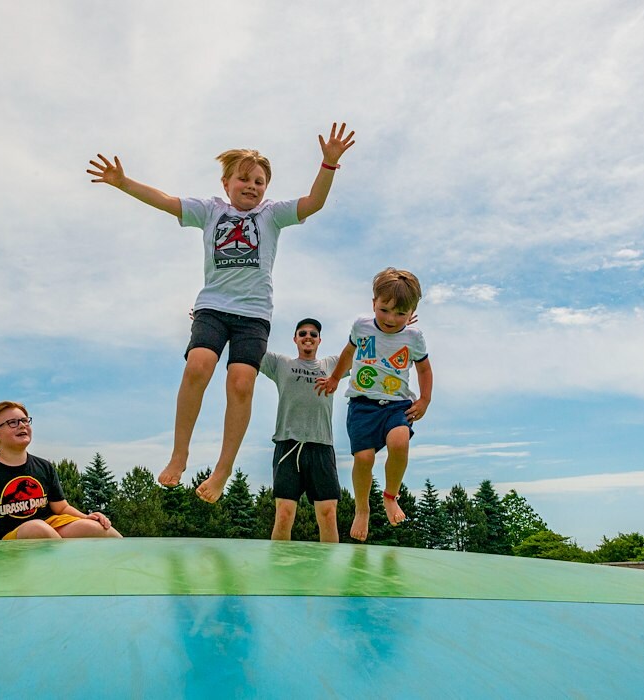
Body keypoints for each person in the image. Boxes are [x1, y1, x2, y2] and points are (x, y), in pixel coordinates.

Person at [88, 123, 355, 503]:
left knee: (241, 382)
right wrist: (123, 182)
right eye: (243, 179)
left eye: (259, 181)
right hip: (213, 306)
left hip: (254, 314)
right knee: (198, 366)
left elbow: (314, 202)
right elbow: (165, 201)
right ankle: (179, 453)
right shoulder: (210, 210)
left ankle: (223, 469)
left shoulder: (272, 215)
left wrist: (328, 165)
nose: (252, 186)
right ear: (226, 182)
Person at [316, 268, 433, 542]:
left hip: (396, 405)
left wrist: (424, 399)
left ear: (412, 312)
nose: (391, 319)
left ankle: (390, 495)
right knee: (364, 459)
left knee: (400, 442)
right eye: (384, 310)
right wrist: (334, 378)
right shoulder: (362, 326)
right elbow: (348, 353)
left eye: (400, 314)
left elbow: (424, 369)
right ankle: (362, 508)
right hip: (362, 405)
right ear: (373, 303)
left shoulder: (413, 337)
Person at [0, 401, 122, 542]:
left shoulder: (44, 466)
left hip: (50, 526)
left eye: (24, 420)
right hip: (8, 540)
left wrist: (86, 517)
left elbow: (61, 508)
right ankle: (66, 573)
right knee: (36, 528)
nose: (22, 425)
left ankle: (132, 565)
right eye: (12, 422)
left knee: (93, 527)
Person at [259, 318, 345, 543]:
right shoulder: (280, 363)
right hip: (288, 445)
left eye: (313, 334)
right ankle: (279, 563)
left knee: (328, 515)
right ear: (295, 339)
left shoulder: (332, 364)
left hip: (322, 447)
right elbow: (248, 346)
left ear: (319, 340)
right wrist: (216, 318)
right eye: (303, 333)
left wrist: (396, 327)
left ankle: (327, 566)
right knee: (284, 514)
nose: (308, 337)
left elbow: (362, 352)